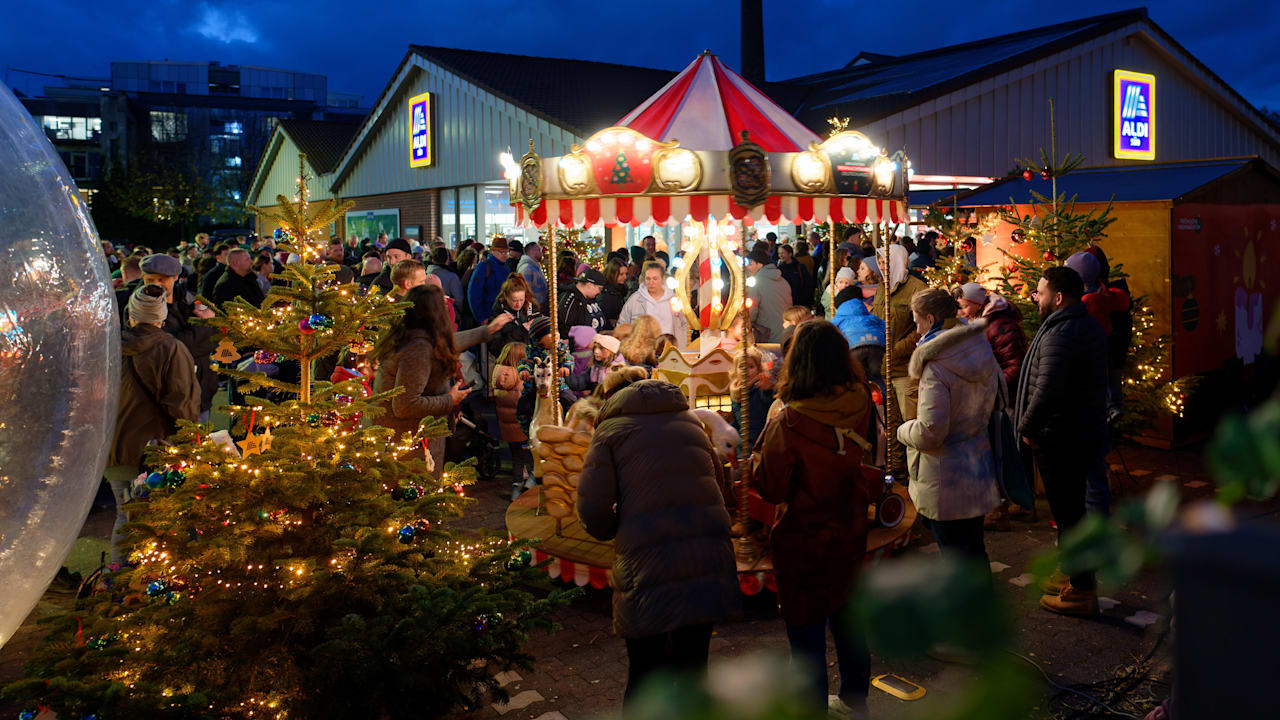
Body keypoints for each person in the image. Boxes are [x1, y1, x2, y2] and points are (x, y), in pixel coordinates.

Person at [577, 375, 741, 706]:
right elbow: (721, 486)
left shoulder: (610, 433)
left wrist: (615, 528)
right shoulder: (690, 422)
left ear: (612, 397)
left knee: (646, 672)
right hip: (704, 554)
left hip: (647, 563)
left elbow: (592, 507)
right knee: (694, 668)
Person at [751, 320, 876, 718]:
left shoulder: (788, 422)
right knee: (849, 617)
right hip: (850, 524)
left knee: (805, 634)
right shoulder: (861, 401)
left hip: (804, 537)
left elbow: (770, 487)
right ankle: (856, 701)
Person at [1016, 266, 1108, 616]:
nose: (1035, 298)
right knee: (1072, 512)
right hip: (1080, 433)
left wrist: (1027, 428)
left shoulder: (1060, 334)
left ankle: (1081, 591)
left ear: (1057, 297)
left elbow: (1047, 390)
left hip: (1062, 438)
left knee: (1069, 514)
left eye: (1039, 293)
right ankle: (1072, 570)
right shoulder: (1083, 325)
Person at [897, 288, 1001, 564]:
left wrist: (902, 430)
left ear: (930, 320)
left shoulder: (936, 366)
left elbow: (931, 432)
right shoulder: (979, 347)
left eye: (918, 323)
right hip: (977, 467)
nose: (918, 332)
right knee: (975, 550)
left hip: (947, 478)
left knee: (954, 556)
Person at [106, 285, 200, 562]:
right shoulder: (171, 349)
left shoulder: (111, 348)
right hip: (156, 451)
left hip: (115, 450)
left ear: (131, 316)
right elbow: (183, 405)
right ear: (161, 317)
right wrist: (188, 445)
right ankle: (149, 589)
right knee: (162, 523)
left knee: (125, 518)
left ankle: (118, 585)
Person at [370, 284, 511, 469]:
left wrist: (487, 331)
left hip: (403, 442)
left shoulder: (412, 336)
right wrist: (449, 399)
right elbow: (405, 405)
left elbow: (448, 343)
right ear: (434, 312)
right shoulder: (418, 348)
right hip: (406, 449)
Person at [136, 254, 219, 420]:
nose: (156, 285)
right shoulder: (140, 307)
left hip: (202, 389)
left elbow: (215, 337)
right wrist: (204, 324)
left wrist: (193, 339)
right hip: (166, 396)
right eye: (150, 279)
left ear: (175, 277)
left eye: (162, 279)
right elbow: (167, 347)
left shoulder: (193, 300)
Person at [871, 243, 928, 480]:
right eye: (880, 262)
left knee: (911, 424)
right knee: (891, 423)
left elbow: (921, 328)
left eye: (885, 261)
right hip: (884, 368)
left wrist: (896, 350)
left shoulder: (917, 288)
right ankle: (897, 471)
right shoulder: (882, 288)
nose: (882, 266)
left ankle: (919, 474)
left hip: (905, 368)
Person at [955, 282, 1027, 389]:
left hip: (1006, 394)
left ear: (979, 304)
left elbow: (1015, 366)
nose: (960, 312)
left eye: (964, 307)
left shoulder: (999, 325)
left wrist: (992, 387)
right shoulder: (976, 323)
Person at [492, 342, 532, 499]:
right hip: (522, 427)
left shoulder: (498, 375)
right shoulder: (521, 377)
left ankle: (517, 485)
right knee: (527, 456)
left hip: (508, 427)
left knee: (516, 456)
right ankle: (524, 486)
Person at [617, 261, 687, 346]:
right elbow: (622, 325)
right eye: (648, 278)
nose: (651, 282)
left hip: (669, 349)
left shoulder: (674, 299)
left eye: (655, 278)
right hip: (643, 351)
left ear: (662, 279)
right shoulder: (635, 300)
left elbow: (684, 325)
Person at [832, 286, 886, 380]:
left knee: (854, 377)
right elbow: (886, 328)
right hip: (876, 344)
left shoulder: (839, 317)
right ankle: (881, 393)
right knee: (875, 375)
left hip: (854, 346)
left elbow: (830, 332)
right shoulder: (868, 315)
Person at [730, 346, 774, 452]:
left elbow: (768, 401)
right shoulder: (735, 392)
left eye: (751, 367)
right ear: (735, 370)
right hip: (742, 442)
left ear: (758, 368)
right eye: (742, 367)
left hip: (759, 441)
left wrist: (767, 390)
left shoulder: (760, 386)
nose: (746, 371)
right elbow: (737, 421)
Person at [745, 246, 793, 342]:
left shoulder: (756, 282)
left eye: (750, 264)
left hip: (767, 334)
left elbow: (751, 312)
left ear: (759, 264)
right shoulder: (783, 280)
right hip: (787, 331)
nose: (747, 267)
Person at [467, 237, 511, 324]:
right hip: (489, 317)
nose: (505, 255)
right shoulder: (483, 267)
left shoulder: (506, 267)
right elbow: (474, 293)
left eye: (506, 252)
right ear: (492, 251)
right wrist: (481, 317)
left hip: (503, 317)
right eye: (502, 252)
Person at [488, 275, 535, 354]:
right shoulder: (497, 315)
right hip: (509, 360)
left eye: (521, 300)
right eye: (514, 300)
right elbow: (496, 348)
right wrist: (522, 330)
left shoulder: (530, 308)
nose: (518, 304)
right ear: (506, 297)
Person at [558, 268, 607, 340]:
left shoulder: (589, 298)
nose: (599, 292)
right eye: (599, 288)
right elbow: (565, 330)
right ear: (589, 285)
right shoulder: (572, 300)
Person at [778, 243, 814, 311]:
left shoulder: (800, 267)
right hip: (786, 300)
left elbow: (808, 284)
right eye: (779, 253)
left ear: (790, 254)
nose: (780, 255)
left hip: (800, 301)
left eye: (783, 253)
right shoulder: (779, 269)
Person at [597, 256, 629, 329]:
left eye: (626, 274)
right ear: (612, 274)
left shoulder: (620, 289)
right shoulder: (605, 293)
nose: (625, 277)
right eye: (621, 274)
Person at [517, 241, 548, 308]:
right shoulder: (527, 269)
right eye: (539, 250)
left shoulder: (534, 267)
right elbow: (525, 290)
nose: (541, 253)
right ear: (532, 251)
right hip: (533, 307)